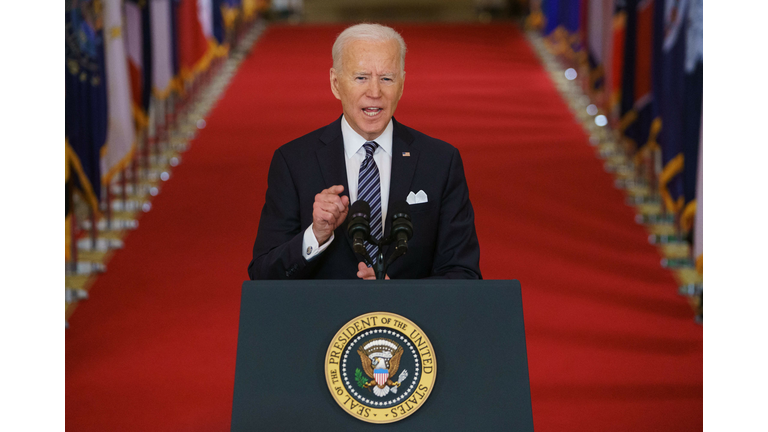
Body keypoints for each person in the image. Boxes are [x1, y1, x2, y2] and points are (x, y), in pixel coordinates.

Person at [248, 23, 481, 280]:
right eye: (361, 78)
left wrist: (403, 297)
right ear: (336, 84)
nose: (374, 92)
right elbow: (263, 274)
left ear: (402, 85)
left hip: (409, 321)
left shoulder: (440, 162)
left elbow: (463, 272)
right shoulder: (294, 162)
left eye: (386, 79)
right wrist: (316, 234)